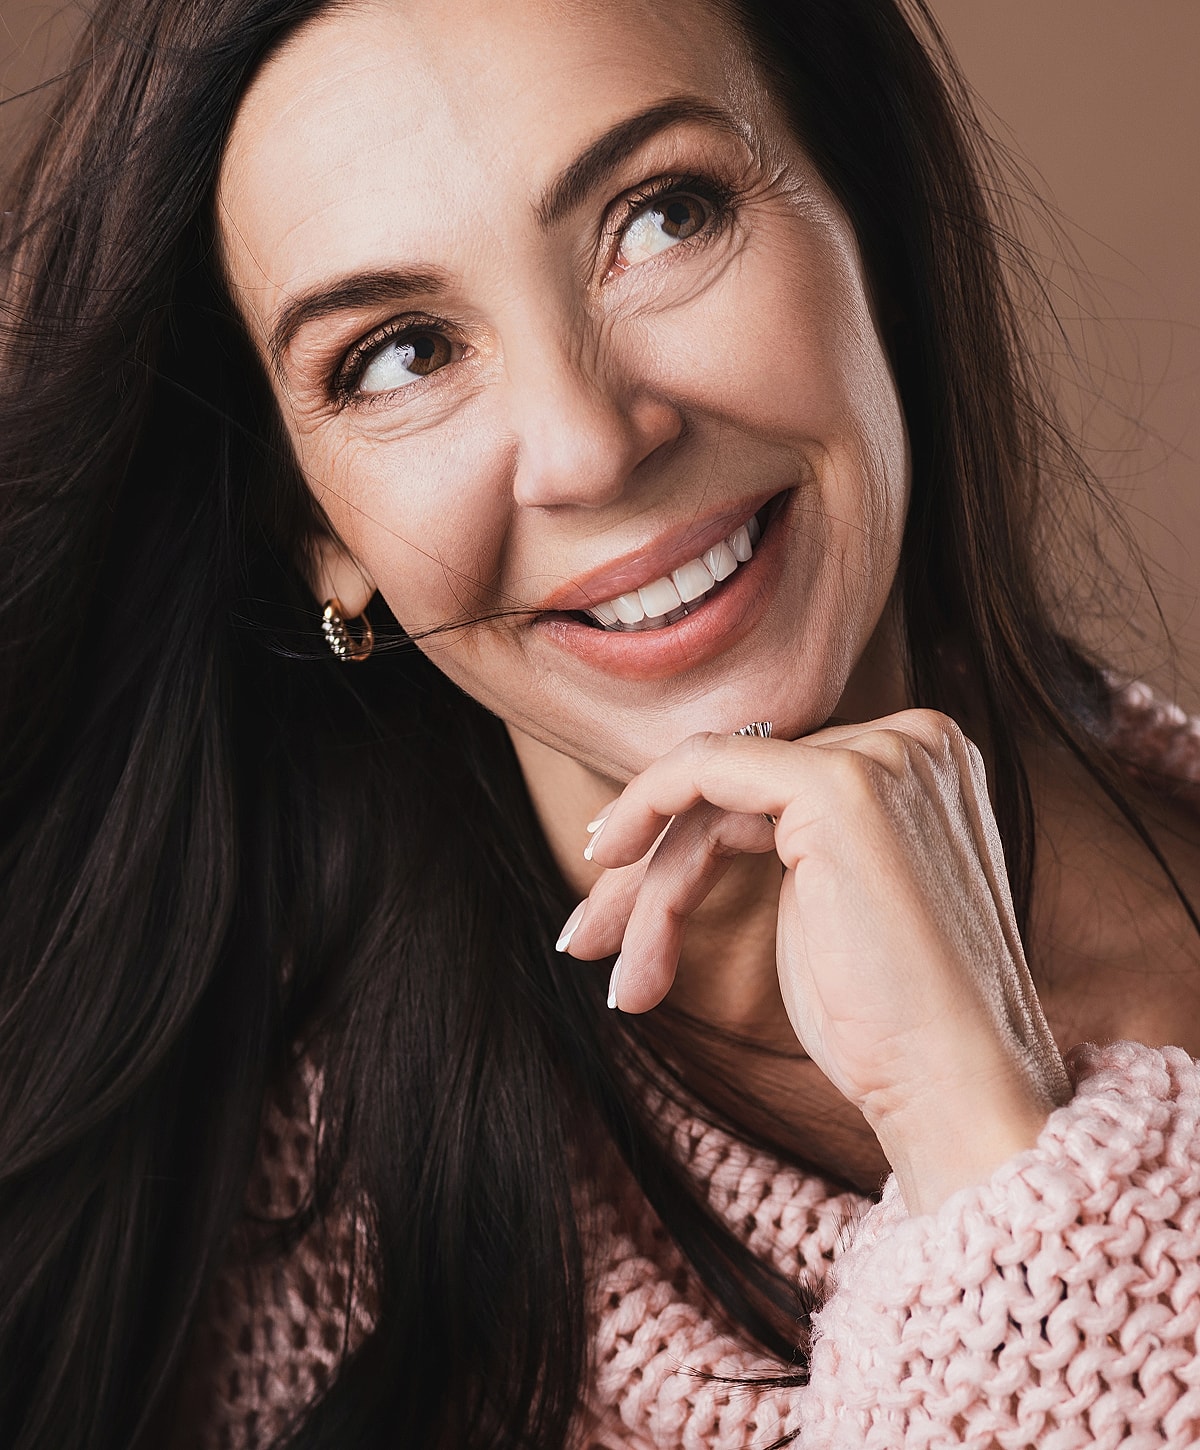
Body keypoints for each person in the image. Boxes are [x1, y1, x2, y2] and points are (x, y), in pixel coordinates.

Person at [2, 0, 1199, 1445]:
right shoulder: (263, 1231)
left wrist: (987, 1129)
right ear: (319, 536)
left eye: (663, 215)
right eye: (398, 354)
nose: (588, 443)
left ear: (865, 217)